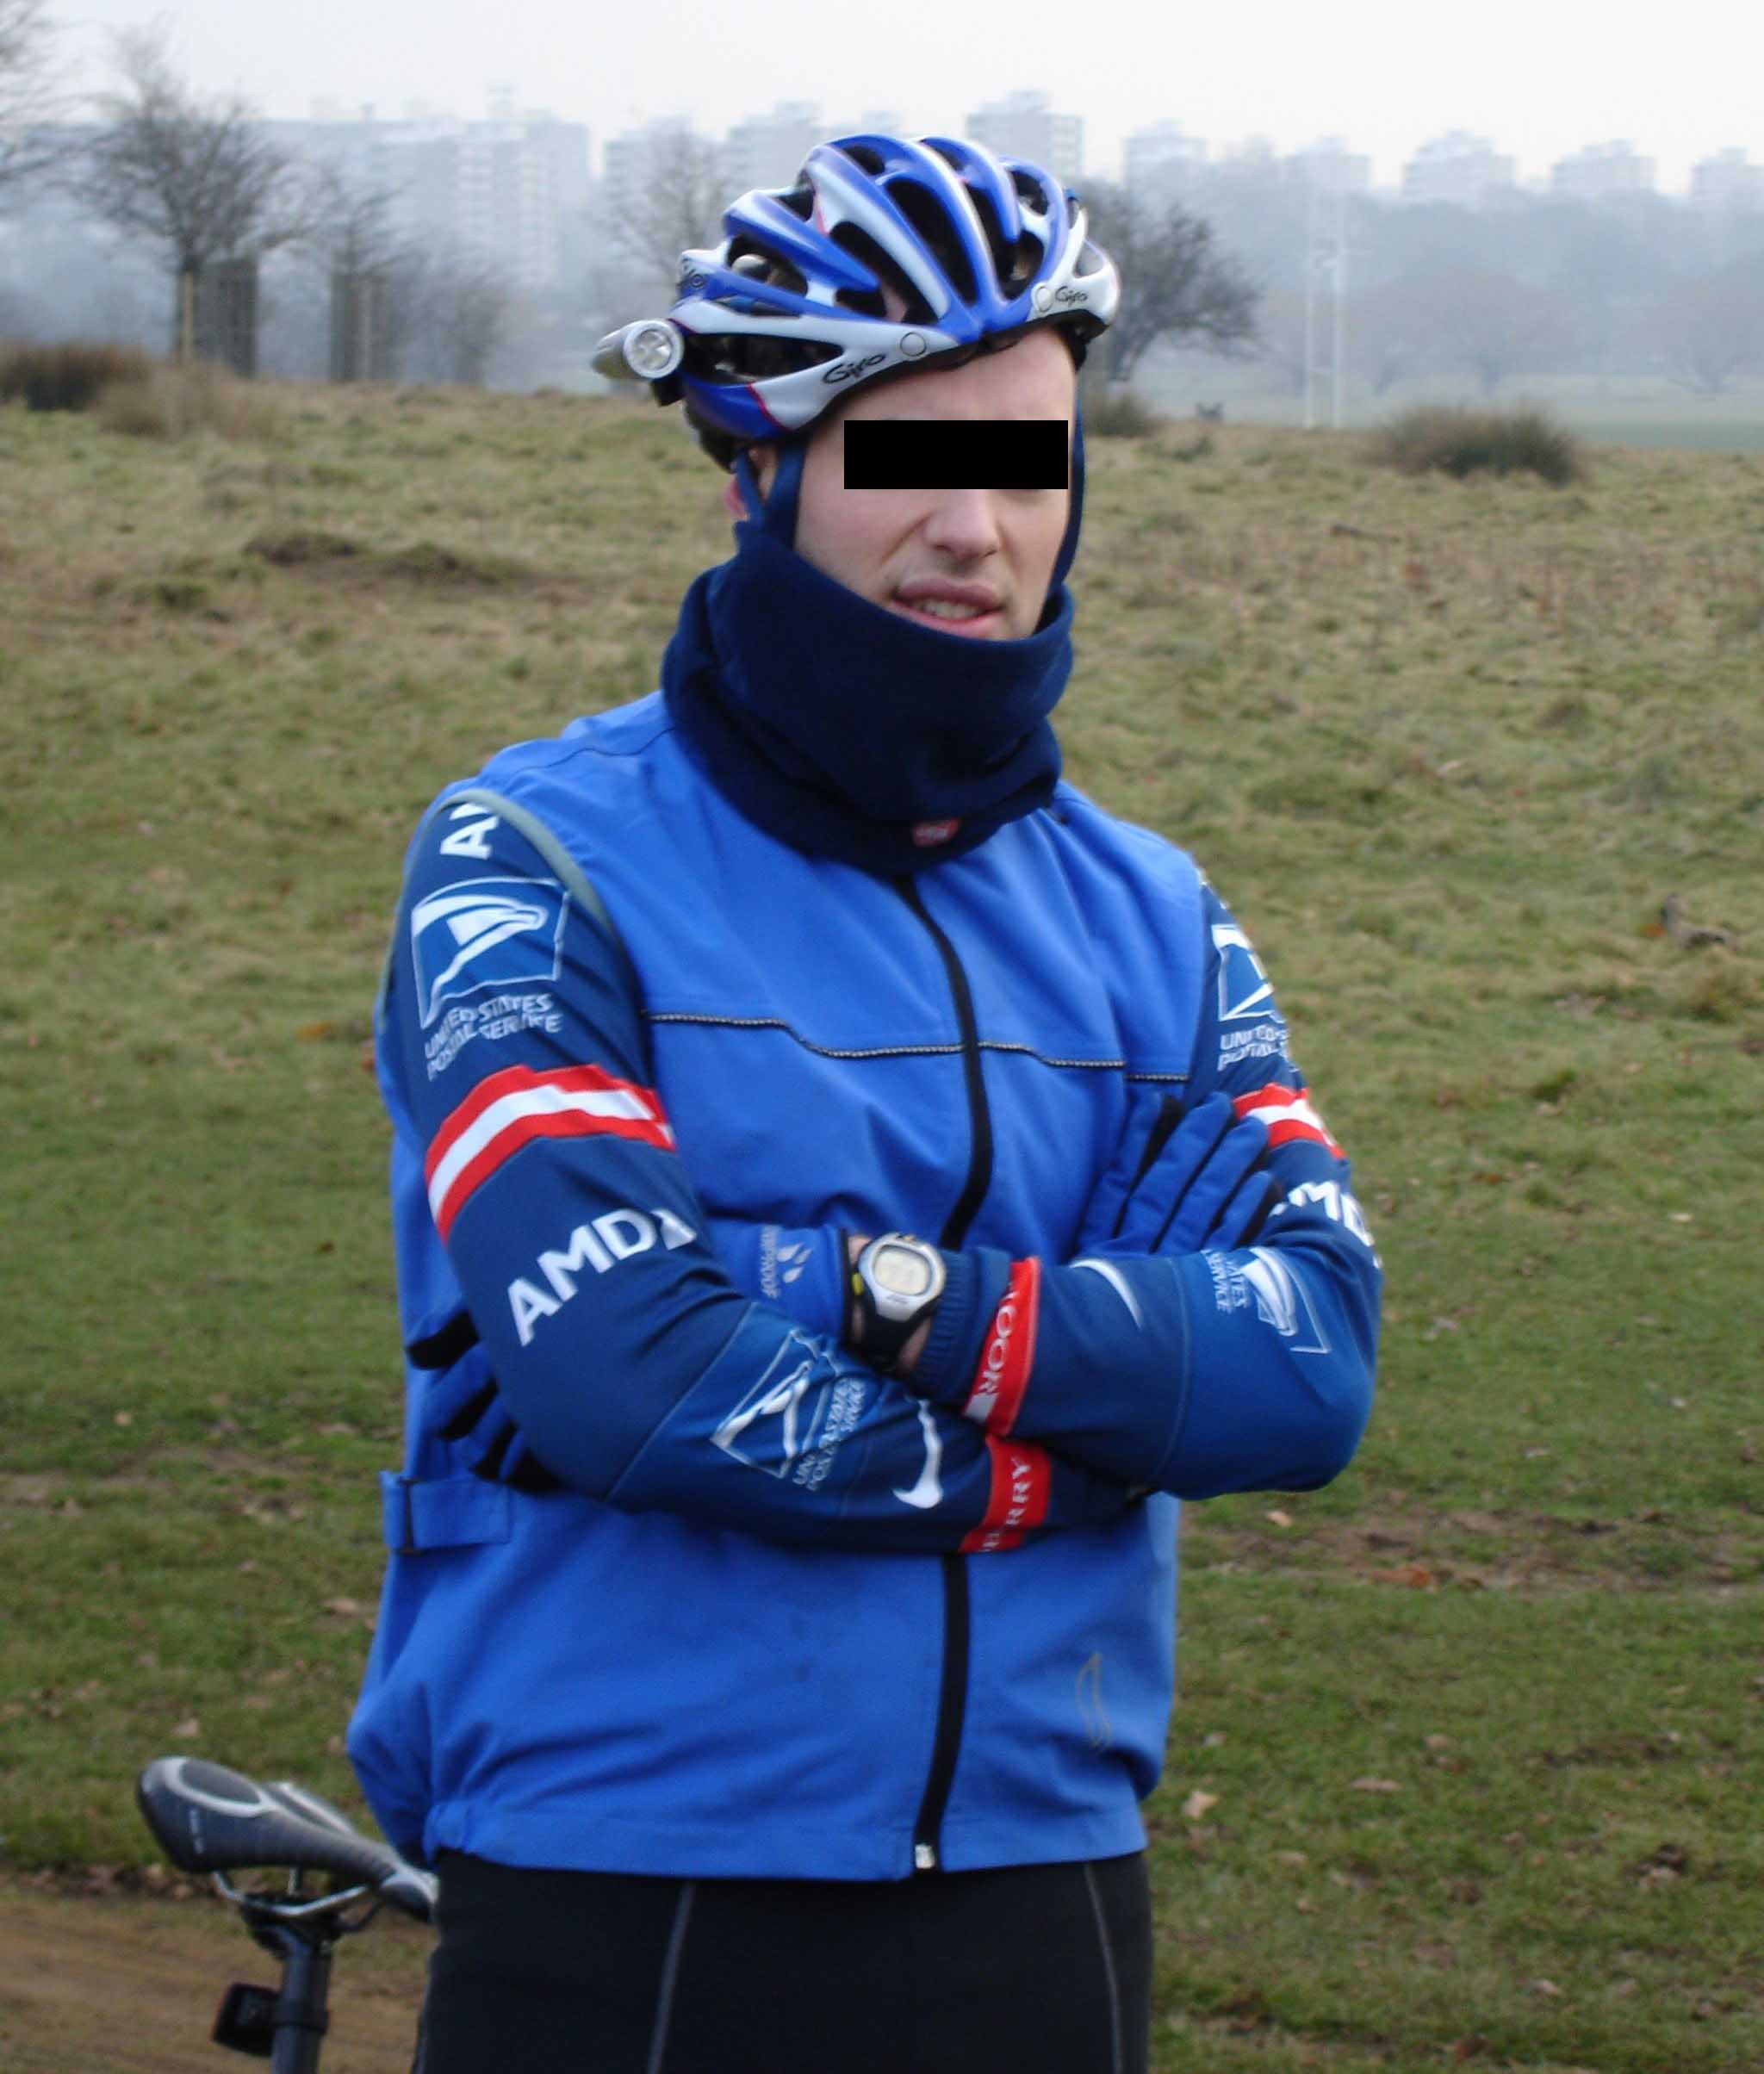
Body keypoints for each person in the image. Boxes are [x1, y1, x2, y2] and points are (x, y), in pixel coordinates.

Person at [348, 131, 1381, 2074]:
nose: (974, 528)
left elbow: (1307, 1365)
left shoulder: (1150, 913)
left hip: (1045, 1880)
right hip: (628, 1881)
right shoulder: (529, 861)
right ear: (758, 470)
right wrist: (1073, 1452)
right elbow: (633, 1378)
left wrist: (835, 1290)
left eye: (1028, 458)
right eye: (905, 458)